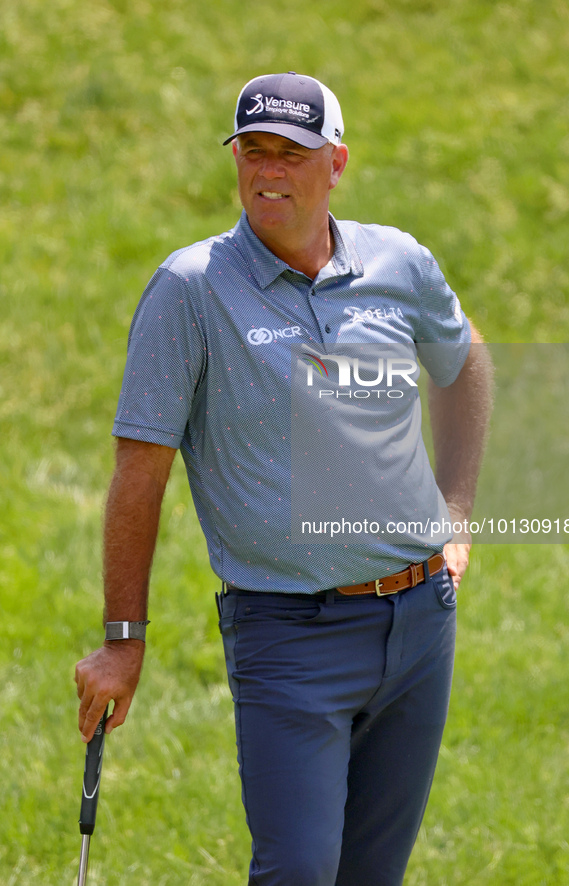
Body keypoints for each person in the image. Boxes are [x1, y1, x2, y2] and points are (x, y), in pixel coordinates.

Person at [75, 72, 493, 885]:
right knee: (298, 872)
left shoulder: (396, 263)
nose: (268, 171)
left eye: (291, 154)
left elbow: (463, 361)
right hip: (287, 636)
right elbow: (139, 472)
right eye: (252, 152)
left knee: (372, 875)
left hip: (418, 623)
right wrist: (123, 641)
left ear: (334, 163)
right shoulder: (190, 290)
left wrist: (457, 508)